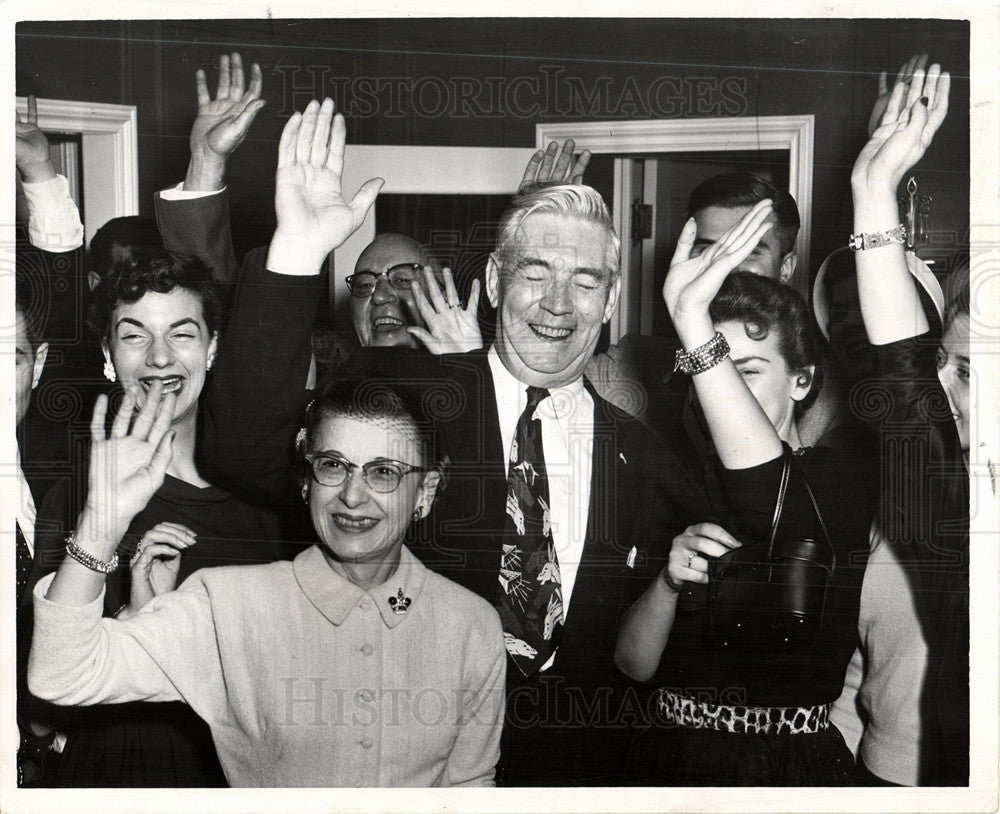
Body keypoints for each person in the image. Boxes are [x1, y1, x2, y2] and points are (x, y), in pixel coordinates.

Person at [196, 99, 706, 786]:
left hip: (576, 775)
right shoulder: (407, 390)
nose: (558, 305)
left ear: (610, 300)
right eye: (535, 274)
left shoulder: (644, 457)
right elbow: (243, 455)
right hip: (401, 764)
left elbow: (649, 651)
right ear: (495, 281)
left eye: (584, 282)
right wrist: (296, 252)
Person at [28, 377, 506, 788]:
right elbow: (61, 675)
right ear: (306, 481)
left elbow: (468, 791)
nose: (352, 496)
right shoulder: (228, 605)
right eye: (333, 465)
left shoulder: (472, 627)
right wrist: (101, 524)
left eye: (383, 472)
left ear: (425, 491)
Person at [614, 203, 877, 785]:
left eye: (748, 371)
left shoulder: (834, 481)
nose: (722, 390)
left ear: (802, 380)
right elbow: (633, 666)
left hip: (786, 770)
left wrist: (691, 319)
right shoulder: (682, 491)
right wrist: (666, 581)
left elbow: (766, 495)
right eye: (714, 370)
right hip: (668, 761)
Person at [30, 249, 288, 787]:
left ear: (213, 348)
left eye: (182, 333)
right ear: (107, 355)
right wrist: (135, 622)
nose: (159, 357)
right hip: (114, 776)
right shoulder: (76, 495)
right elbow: (44, 701)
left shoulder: (269, 502)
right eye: (134, 335)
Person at [845, 58, 967, 785]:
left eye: (975, 371)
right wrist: (871, 189)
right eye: (949, 363)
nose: (944, 388)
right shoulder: (948, 509)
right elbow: (901, 367)